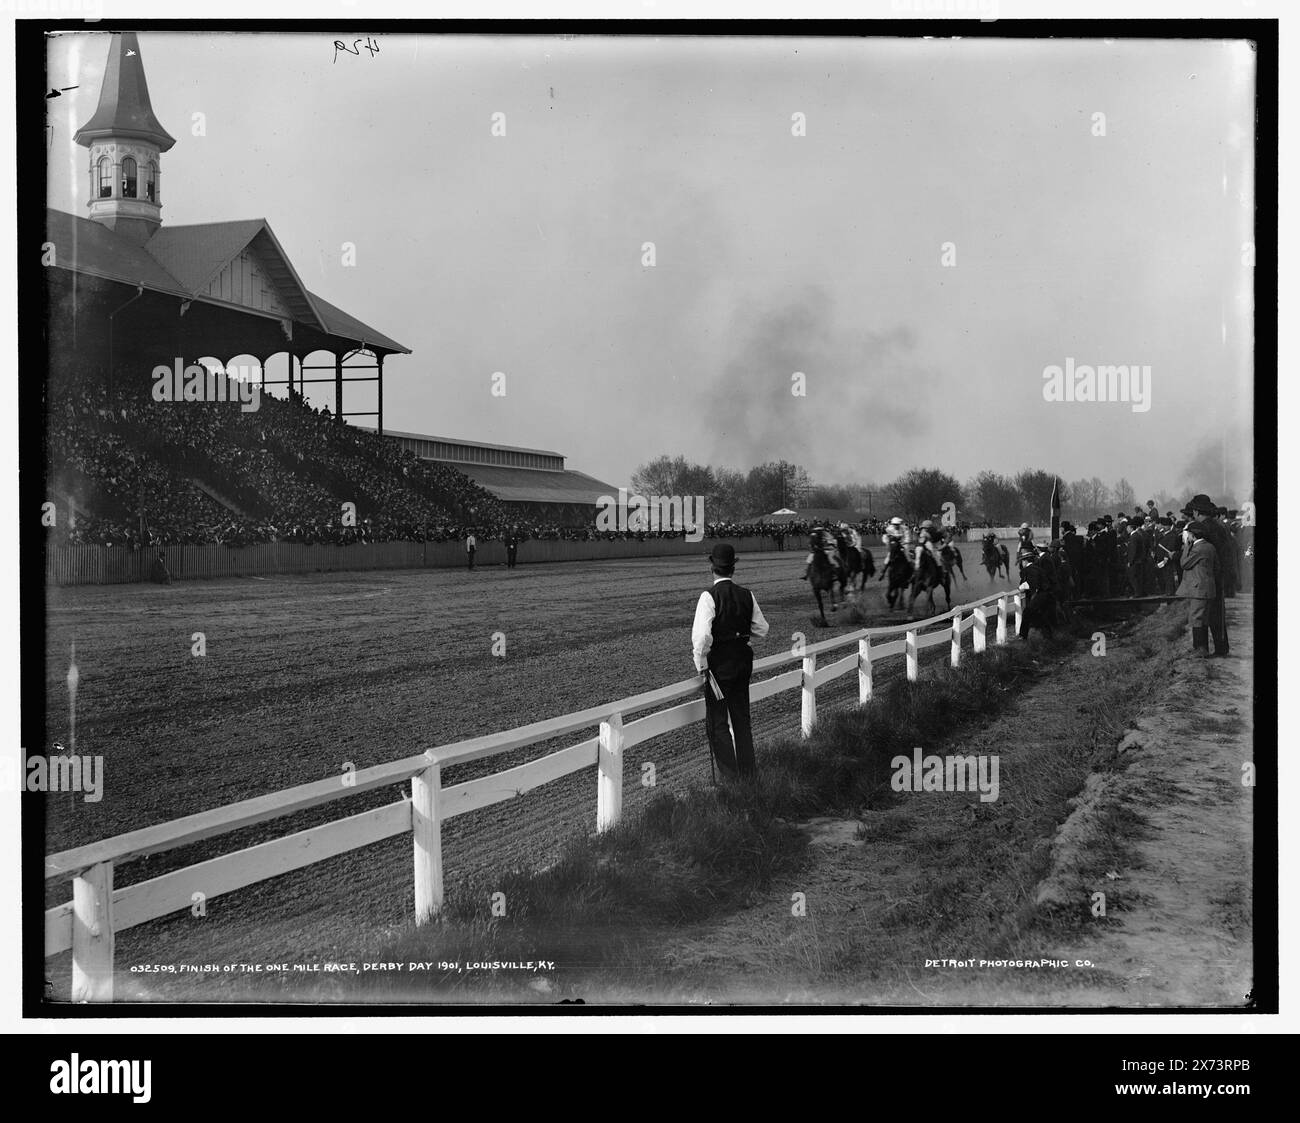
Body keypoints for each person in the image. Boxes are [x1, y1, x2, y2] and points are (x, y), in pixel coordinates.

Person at [691, 542, 770, 780]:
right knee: (741, 719)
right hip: (743, 663)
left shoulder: (709, 596)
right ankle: (749, 774)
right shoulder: (747, 594)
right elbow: (762, 629)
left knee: (717, 723)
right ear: (733, 568)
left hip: (719, 667)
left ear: (712, 568)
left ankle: (731, 779)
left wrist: (701, 663)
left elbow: (703, 636)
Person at [1183, 494, 1235, 656]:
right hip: (1218, 575)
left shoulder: (1204, 528)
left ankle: (1208, 648)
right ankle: (1220, 647)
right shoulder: (1217, 525)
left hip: (1209, 576)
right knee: (1215, 613)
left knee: (1205, 613)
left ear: (1198, 512)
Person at [1178, 522, 1218, 657]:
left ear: (1193, 535)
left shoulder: (1197, 548)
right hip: (1208, 588)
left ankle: (1199, 650)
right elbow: (1217, 567)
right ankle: (1202, 649)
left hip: (1199, 589)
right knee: (1203, 619)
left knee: (1196, 618)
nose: (1187, 536)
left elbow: (1184, 563)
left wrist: (1186, 547)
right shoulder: (1210, 547)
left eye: (1188, 534)